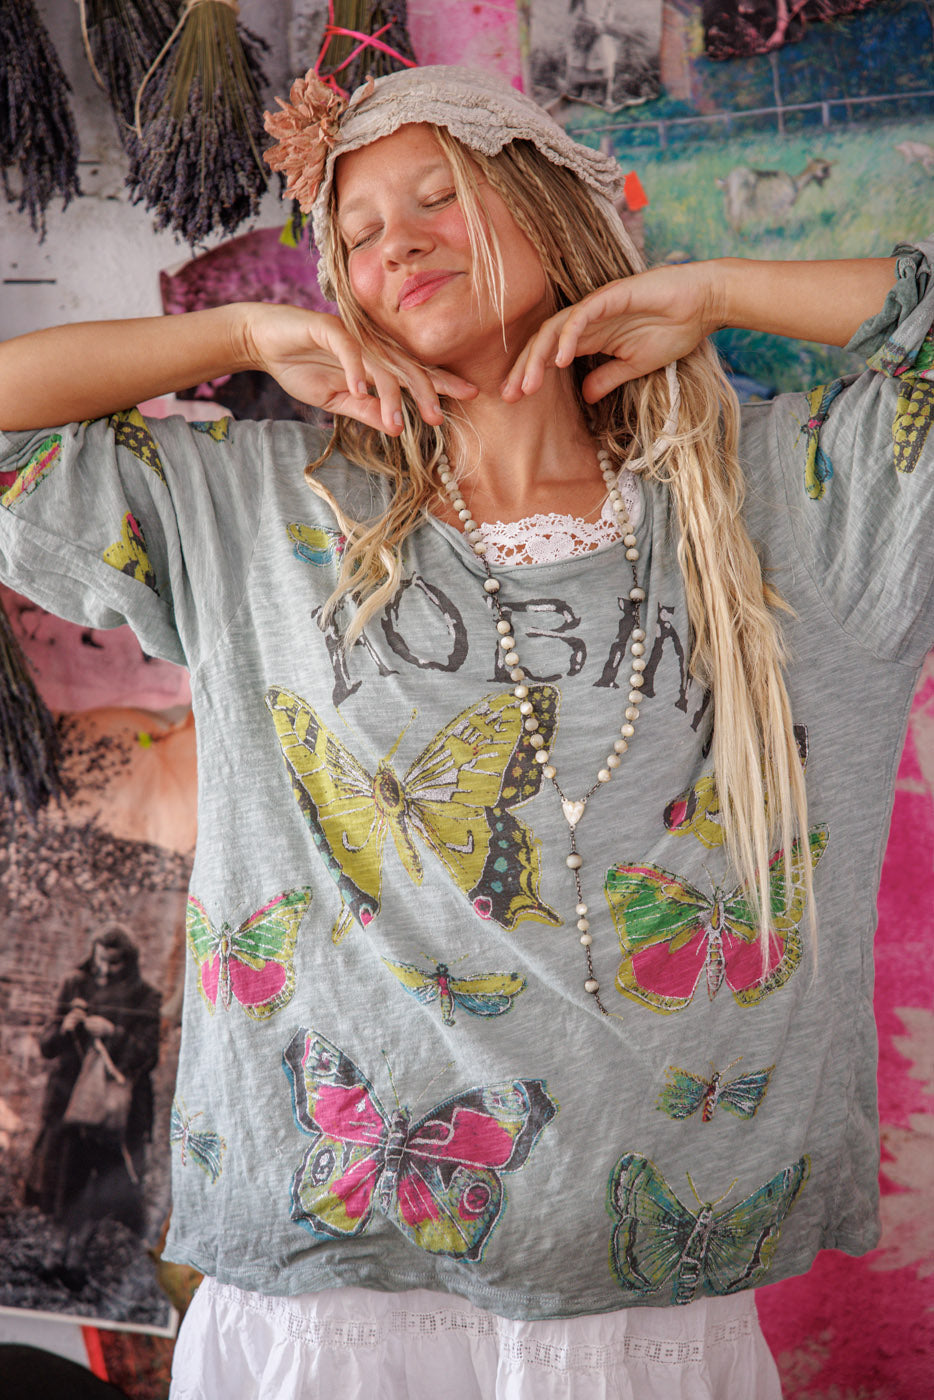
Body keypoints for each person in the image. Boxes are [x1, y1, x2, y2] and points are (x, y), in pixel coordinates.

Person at [0, 62, 929, 1398]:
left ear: (552, 213)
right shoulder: (263, 507)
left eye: (439, 196)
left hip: (628, 1284)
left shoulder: (780, 502)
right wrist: (240, 333)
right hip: (329, 1264)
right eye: (359, 233)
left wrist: (715, 291)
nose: (399, 242)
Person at [27, 926, 161, 1288]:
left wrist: (113, 1033)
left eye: (115, 963)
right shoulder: (75, 984)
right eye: (101, 959)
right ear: (93, 953)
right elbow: (46, 1045)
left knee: (99, 1184)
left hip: (116, 1111)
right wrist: (63, 1028)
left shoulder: (146, 996)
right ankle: (56, 1249)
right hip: (69, 1105)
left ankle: (77, 1255)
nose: (105, 969)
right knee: (65, 1179)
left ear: (129, 961)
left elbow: (148, 1056)